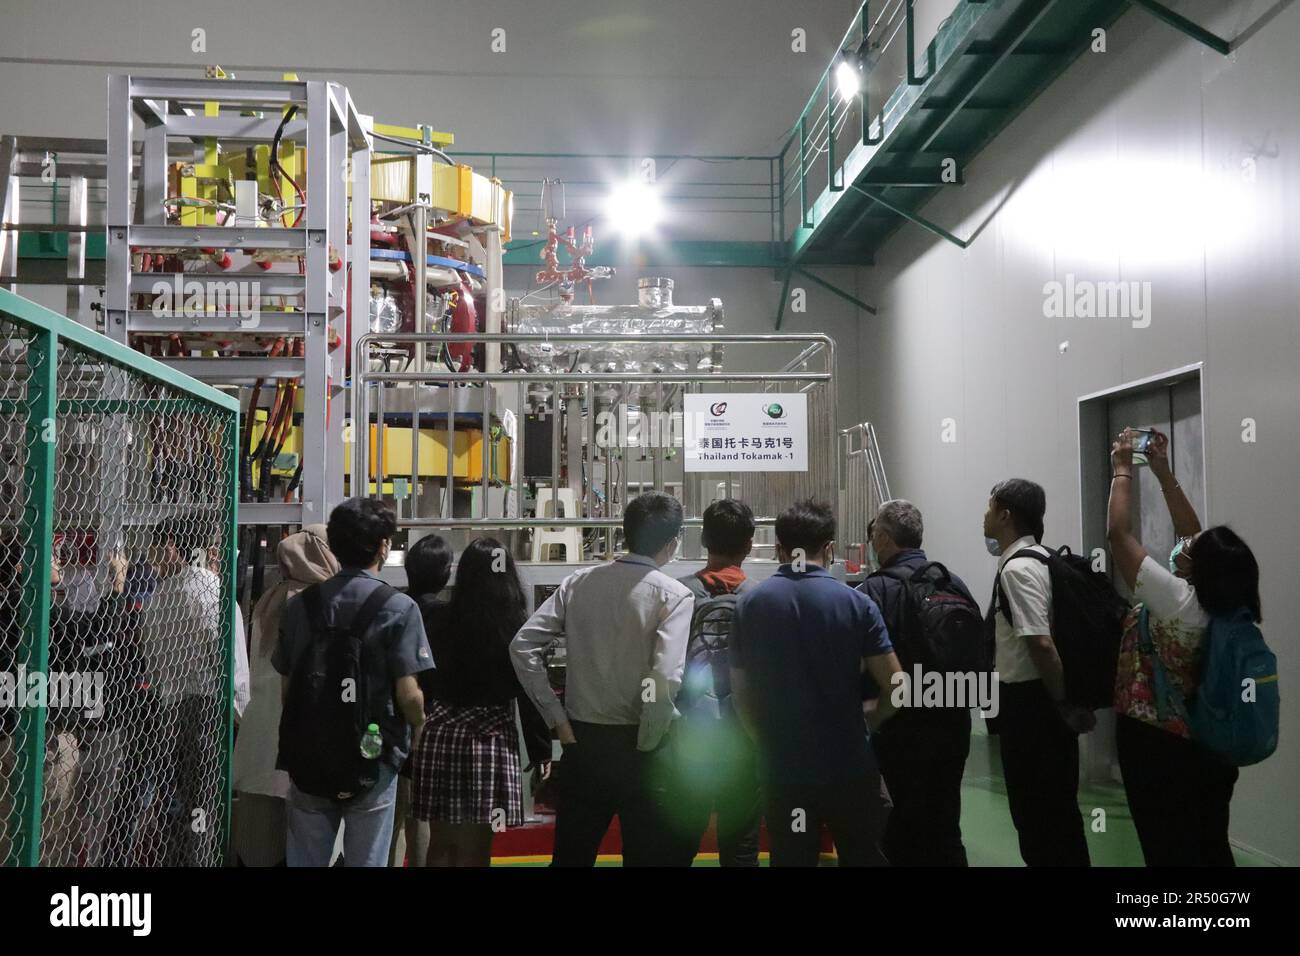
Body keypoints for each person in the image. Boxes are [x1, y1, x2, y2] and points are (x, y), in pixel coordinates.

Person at [511, 491, 693, 867]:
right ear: (673, 543)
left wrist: (556, 719)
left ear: (625, 533)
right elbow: (664, 677)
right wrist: (649, 739)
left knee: (572, 857)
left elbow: (522, 645)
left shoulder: (578, 582)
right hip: (643, 748)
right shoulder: (675, 596)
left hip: (583, 742)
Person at [1107, 428, 1255, 866]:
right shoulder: (1226, 607)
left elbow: (1118, 536)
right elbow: (1191, 533)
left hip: (1158, 747)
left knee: (1166, 847)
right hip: (1208, 747)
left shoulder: (1176, 600)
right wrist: (1162, 472)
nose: (1185, 545)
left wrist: (1121, 470)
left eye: (1191, 549)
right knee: (1208, 844)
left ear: (1199, 567)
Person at [731, 499, 901, 867]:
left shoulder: (751, 605)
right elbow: (897, 686)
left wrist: (766, 741)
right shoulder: (857, 604)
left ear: (779, 547)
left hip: (784, 773)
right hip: (850, 768)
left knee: (792, 857)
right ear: (829, 548)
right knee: (862, 856)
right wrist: (869, 719)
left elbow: (740, 696)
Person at [274, 498, 432, 867]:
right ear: (383, 546)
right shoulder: (400, 608)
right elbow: (409, 696)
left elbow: (288, 690)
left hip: (309, 755)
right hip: (373, 758)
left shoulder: (300, 607)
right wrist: (416, 731)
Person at [411, 537, 552, 866]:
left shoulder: (438, 619)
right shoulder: (514, 628)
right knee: (474, 848)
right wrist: (541, 749)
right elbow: (530, 692)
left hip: (440, 735)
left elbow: (424, 680)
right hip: (488, 741)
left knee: (441, 841)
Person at [860, 499, 976, 866]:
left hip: (898, 729)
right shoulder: (953, 582)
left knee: (898, 831)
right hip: (954, 726)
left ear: (881, 537)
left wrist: (872, 716)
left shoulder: (873, 591)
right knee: (945, 828)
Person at [983, 479, 1092, 867]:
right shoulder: (1045, 559)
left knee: (1038, 818)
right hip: (1041, 704)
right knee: (1058, 813)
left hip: (1032, 708)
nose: (985, 515)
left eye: (989, 506)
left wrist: (1062, 703)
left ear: (1005, 515)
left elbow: (1041, 644)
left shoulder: (1018, 570)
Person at [231, 524, 339, 867]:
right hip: (304, 740)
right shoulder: (323, 604)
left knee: (260, 846)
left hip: (258, 740)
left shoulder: (270, 598)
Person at [667, 498, 762, 867]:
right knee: (740, 848)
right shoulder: (763, 597)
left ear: (704, 539)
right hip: (744, 739)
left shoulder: (676, 593)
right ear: (750, 544)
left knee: (678, 845)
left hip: (689, 740)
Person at [391, 532, 454, 867]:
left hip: (389, 722)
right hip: (432, 725)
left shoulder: (391, 606)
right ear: (445, 573)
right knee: (422, 818)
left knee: (391, 820)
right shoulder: (449, 616)